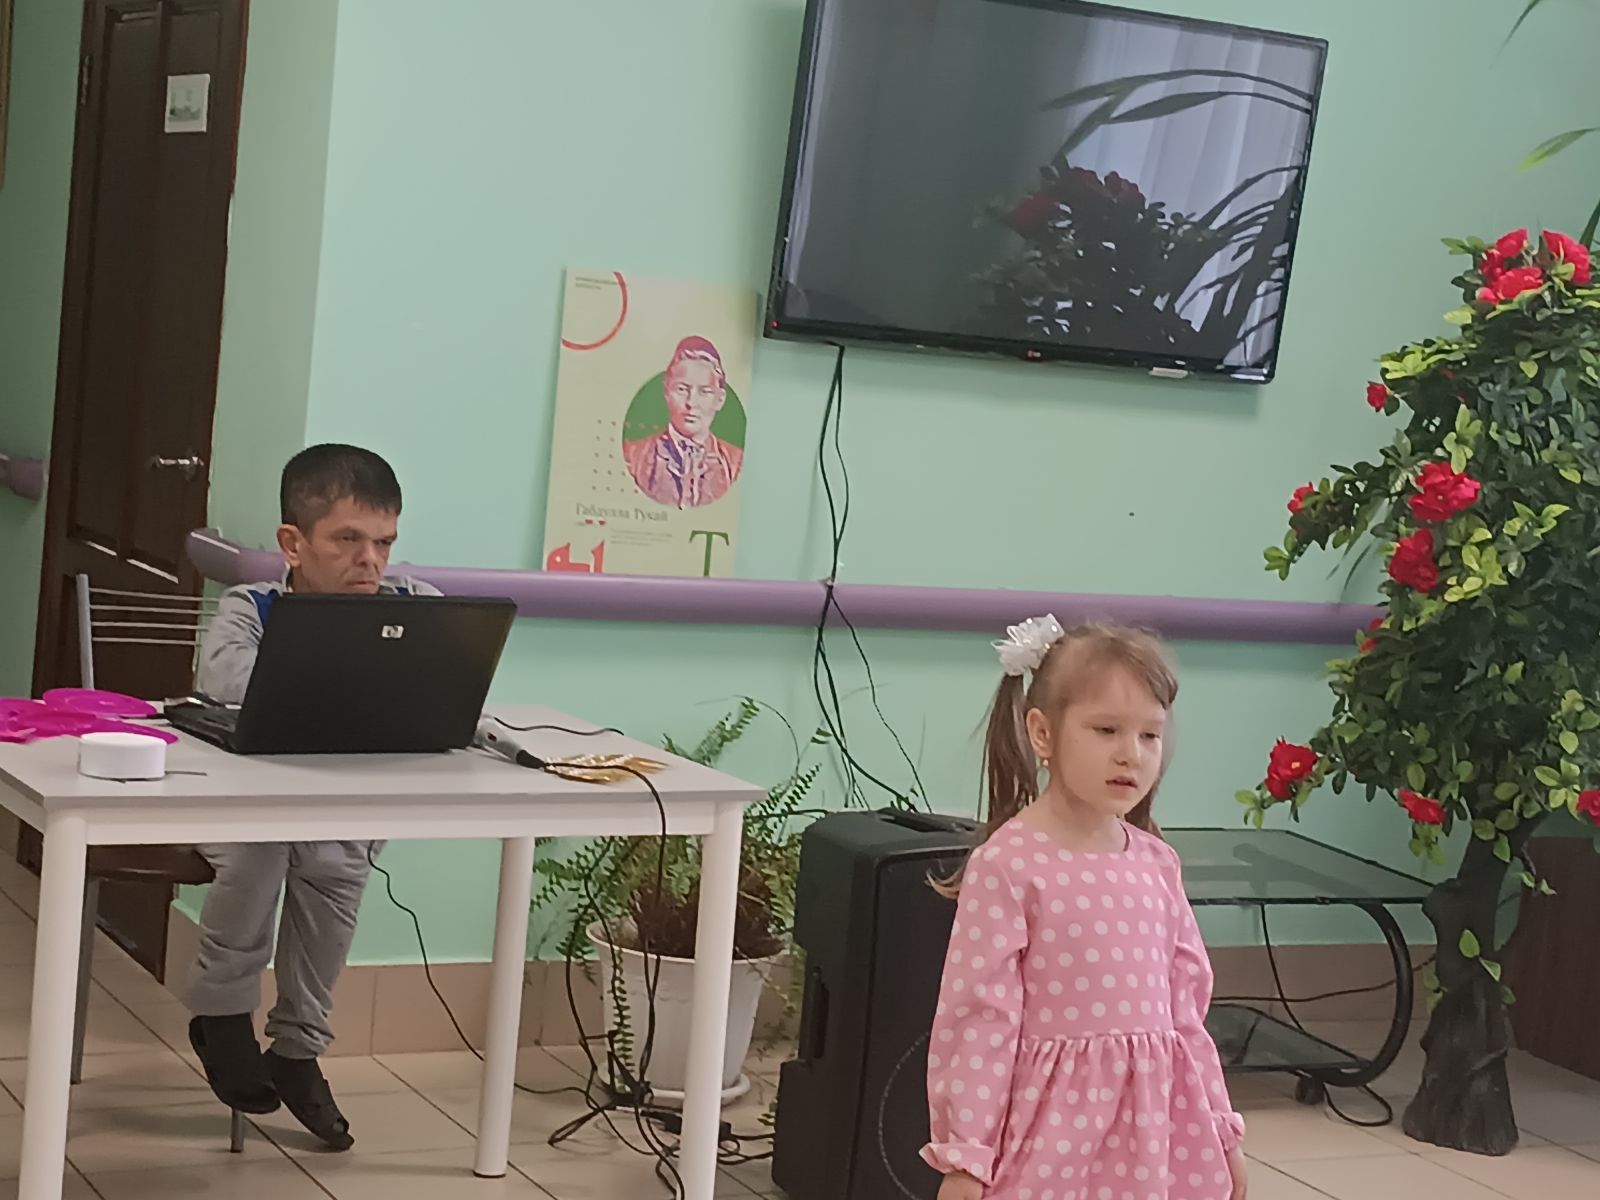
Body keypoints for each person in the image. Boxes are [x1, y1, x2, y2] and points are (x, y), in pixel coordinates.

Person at [923, 619, 1247, 1200]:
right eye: (1106, 730)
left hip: (1155, 1136)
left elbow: (1187, 1014)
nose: (1131, 754)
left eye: (1150, 736)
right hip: (1050, 1140)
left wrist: (1222, 1129)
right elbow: (978, 1023)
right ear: (1042, 734)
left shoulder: (1156, 864)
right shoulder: (1008, 865)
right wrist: (966, 1154)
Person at [187, 444, 439, 1151]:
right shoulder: (253, 607)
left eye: (384, 542)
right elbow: (226, 681)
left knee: (339, 861)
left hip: (338, 811)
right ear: (293, 544)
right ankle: (222, 1014)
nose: (370, 561)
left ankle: (298, 1048)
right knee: (259, 852)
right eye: (348, 540)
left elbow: (449, 675)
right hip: (238, 805)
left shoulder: (413, 608)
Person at [622, 334, 743, 508]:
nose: (691, 403)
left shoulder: (736, 463)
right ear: (666, 392)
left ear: (720, 399)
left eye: (704, 392)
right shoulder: (634, 457)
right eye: (682, 389)